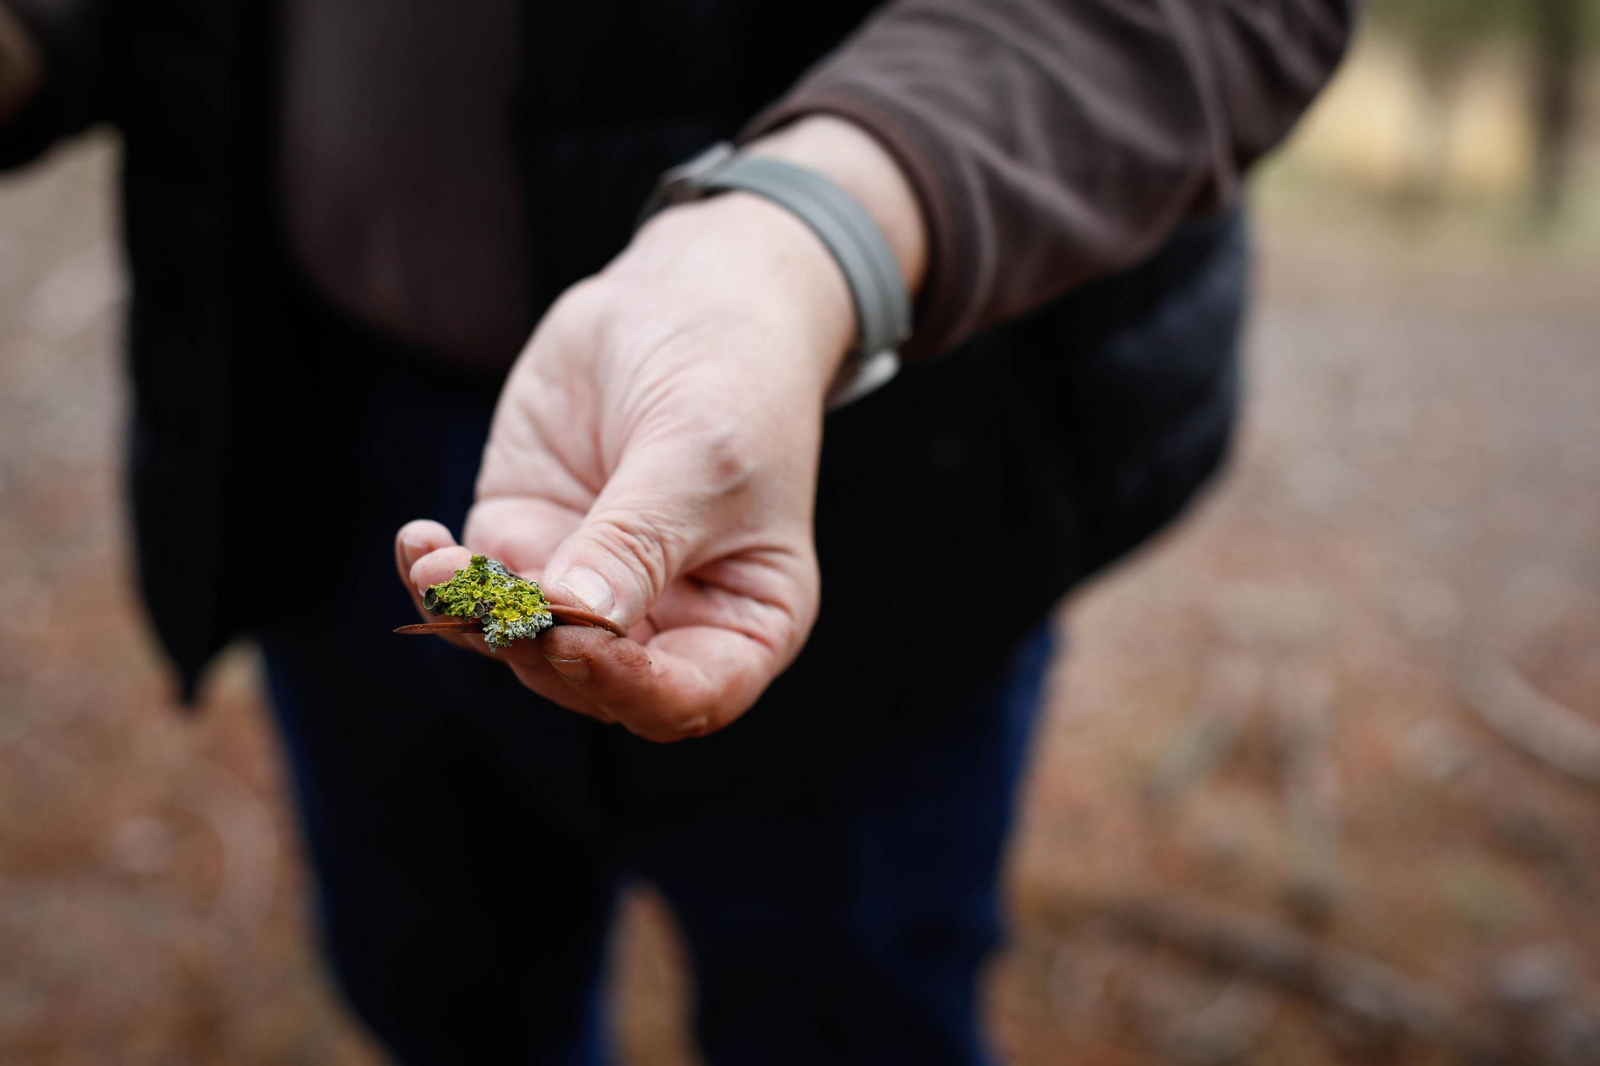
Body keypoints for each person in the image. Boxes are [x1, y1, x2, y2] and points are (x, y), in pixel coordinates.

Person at [0, 1, 1357, 1061]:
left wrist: (813, 231)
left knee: (848, 1009)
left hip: (888, 501)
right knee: (437, 990)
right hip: (310, 433)